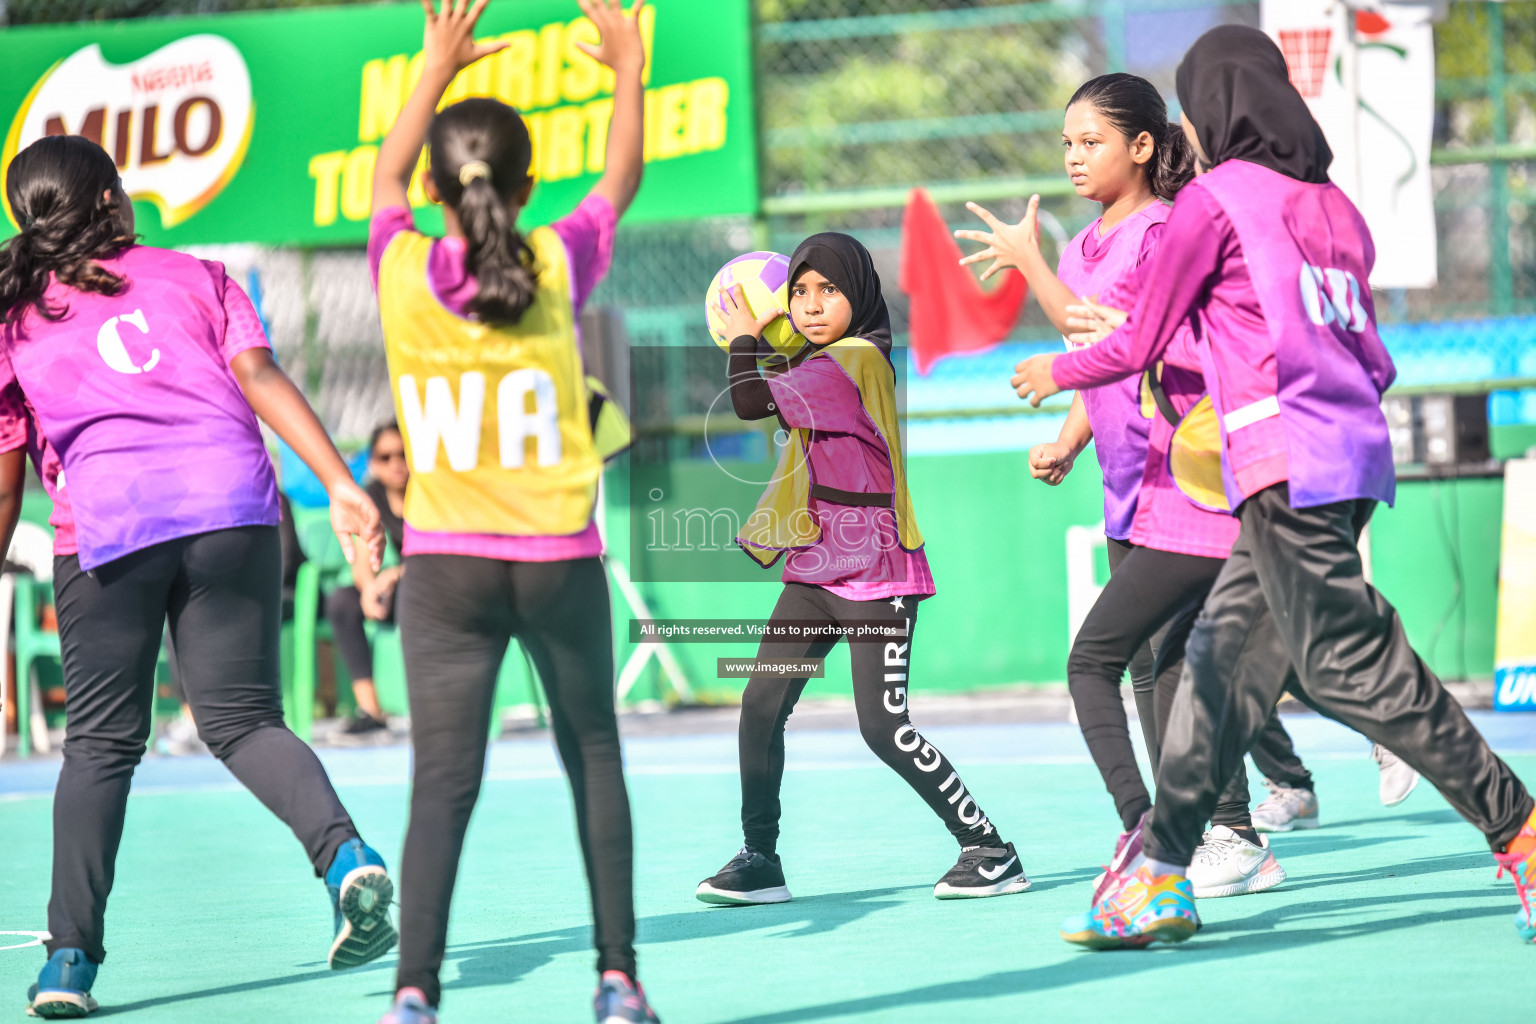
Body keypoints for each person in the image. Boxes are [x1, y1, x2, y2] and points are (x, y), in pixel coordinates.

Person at [1008, 25, 1536, 949]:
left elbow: (1135, 345)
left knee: (1358, 671)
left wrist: (1059, 371)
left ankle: (1520, 831)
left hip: (1281, 467)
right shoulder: (1336, 209)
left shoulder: (1213, 202)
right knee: (1217, 667)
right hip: (1346, 459)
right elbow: (1364, 354)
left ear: (1213, 109)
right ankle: (1162, 877)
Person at [0, 133, 396, 1018]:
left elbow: (7, 469)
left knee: (101, 748)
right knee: (245, 720)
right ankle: (343, 857)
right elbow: (258, 374)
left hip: (112, 526)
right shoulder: (195, 274)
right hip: (233, 511)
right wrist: (340, 484)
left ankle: (69, 962)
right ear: (108, 201)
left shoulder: (16, 312)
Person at [367, 2, 657, 1022]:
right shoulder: (557, 261)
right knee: (595, 759)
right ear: (528, 190)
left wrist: (433, 66)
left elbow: (379, 184)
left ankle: (414, 994)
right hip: (555, 558)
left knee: (442, 785)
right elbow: (620, 180)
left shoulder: (403, 272)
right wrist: (626, 69)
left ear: (438, 192)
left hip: (445, 568)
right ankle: (619, 980)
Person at [957, 73, 1299, 899]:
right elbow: (1098, 376)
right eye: (1067, 143)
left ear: (1142, 147)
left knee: (1159, 659)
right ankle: (1207, 835)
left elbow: (1098, 334)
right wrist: (1071, 439)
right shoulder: (1085, 246)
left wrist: (1029, 264)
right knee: (1156, 666)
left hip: (1182, 480)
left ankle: (1213, 829)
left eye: (1092, 142)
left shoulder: (1161, 234)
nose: (1074, 157)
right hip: (1126, 482)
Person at [695, 231, 1030, 908]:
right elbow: (778, 376)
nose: (812, 305)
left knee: (884, 728)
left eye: (829, 291)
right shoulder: (820, 359)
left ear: (861, 297)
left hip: (877, 572)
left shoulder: (854, 361)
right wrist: (765, 335)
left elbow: (750, 402)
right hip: (817, 567)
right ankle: (760, 858)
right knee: (761, 704)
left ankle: (990, 849)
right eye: (799, 292)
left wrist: (742, 336)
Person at [326, 419, 409, 740]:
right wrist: (369, 588)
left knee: (421, 596)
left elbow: (439, 556)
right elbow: (363, 557)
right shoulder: (369, 497)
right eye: (385, 457)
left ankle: (432, 706)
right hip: (393, 588)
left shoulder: (429, 494)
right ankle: (371, 710)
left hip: (429, 583)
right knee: (342, 601)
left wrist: (395, 574)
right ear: (373, 461)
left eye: (403, 454)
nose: (396, 464)